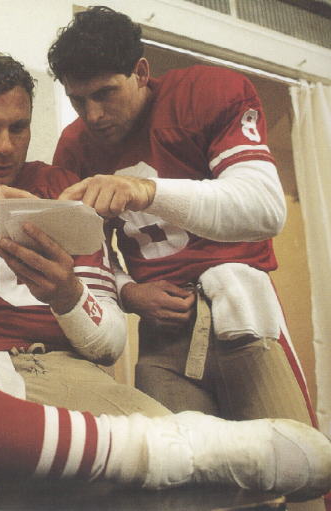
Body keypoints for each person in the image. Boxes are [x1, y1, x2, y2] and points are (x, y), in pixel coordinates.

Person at [0, 49, 329, 500]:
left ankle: (35, 450)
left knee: (206, 496)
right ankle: (148, 450)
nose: (5, 146)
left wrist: (67, 294)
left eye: (18, 127)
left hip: (62, 373)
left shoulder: (61, 184)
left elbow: (109, 344)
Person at [49, 6, 317, 426]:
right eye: (78, 100)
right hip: (161, 336)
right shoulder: (74, 146)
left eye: (105, 93)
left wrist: (148, 191)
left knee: (300, 470)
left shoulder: (208, 91)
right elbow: (88, 254)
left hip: (240, 313)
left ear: (140, 71)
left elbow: (265, 208)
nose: (93, 115)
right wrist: (128, 292)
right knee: (187, 477)